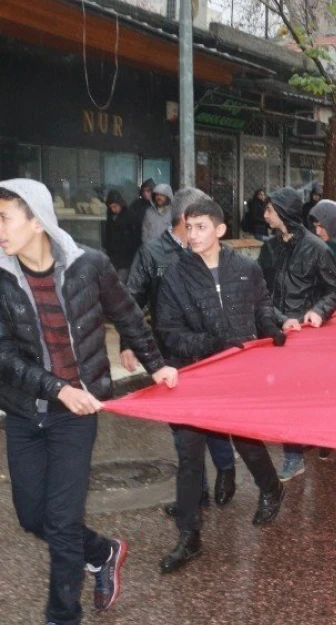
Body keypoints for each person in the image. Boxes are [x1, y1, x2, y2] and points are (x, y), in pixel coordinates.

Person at [0, 178, 178, 624]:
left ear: (36, 221)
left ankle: (63, 616)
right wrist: (56, 387)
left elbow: (127, 315)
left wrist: (156, 364)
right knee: (31, 517)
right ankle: (103, 552)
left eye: (4, 218)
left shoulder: (88, 265)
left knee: (61, 523)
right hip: (25, 411)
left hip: (77, 415)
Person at [154, 197, 295, 574]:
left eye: (201, 227)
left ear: (219, 230)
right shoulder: (175, 276)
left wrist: (273, 327)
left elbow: (261, 306)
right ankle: (189, 536)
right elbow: (168, 332)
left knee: (247, 441)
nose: (192, 234)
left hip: (238, 374)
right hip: (194, 376)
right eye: (188, 227)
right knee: (188, 454)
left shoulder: (246, 269)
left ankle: (271, 487)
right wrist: (212, 345)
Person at [126, 188, 238, 515]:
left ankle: (226, 469)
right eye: (195, 222)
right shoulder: (152, 254)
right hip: (172, 357)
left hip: (210, 354)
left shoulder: (215, 252)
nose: (197, 231)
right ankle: (195, 493)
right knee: (183, 431)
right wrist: (128, 343)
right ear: (183, 218)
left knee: (214, 421)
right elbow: (132, 300)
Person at [259, 187, 336, 480]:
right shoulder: (268, 248)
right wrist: (276, 319)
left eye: (269, 210)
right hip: (277, 332)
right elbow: (260, 293)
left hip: (307, 337)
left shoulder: (317, 249)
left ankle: (320, 435)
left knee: (307, 396)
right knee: (285, 399)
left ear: (283, 213)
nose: (264, 215)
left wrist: (318, 311)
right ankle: (294, 455)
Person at [101, 189, 141, 284]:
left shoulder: (130, 216)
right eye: (111, 207)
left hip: (126, 258)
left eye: (115, 206)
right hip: (113, 257)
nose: (113, 209)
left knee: (120, 283)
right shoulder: (110, 216)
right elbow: (108, 234)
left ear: (120, 204)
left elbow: (136, 238)